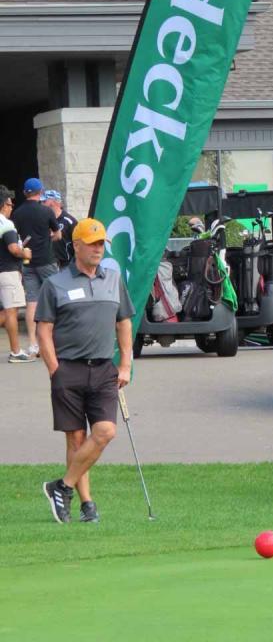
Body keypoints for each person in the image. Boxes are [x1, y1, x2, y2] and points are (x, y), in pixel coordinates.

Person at [36, 218, 135, 524]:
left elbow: (124, 323)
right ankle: (86, 504)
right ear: (76, 246)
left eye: (101, 243)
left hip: (104, 369)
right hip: (68, 369)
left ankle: (62, 486)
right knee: (76, 439)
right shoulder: (55, 283)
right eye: (92, 243)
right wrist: (55, 369)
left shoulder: (113, 279)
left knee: (105, 431)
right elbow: (43, 331)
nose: (98, 249)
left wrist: (125, 365)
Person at [12, 177, 61, 357]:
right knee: (56, 298)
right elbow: (58, 234)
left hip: (28, 262)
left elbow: (16, 236)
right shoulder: (46, 211)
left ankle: (33, 344)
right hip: (47, 260)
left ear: (25, 193)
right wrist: (48, 238)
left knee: (32, 301)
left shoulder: (17, 213)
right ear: (40, 192)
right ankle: (55, 341)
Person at [0, 186, 33, 362]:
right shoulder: (6, 225)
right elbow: (13, 249)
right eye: (10, 204)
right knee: (11, 312)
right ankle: (15, 351)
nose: (11, 208)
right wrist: (24, 252)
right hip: (8, 272)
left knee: (6, 311)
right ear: (3, 205)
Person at [42, 190, 77, 268]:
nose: (41, 204)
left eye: (44, 201)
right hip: (48, 265)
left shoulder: (69, 221)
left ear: (53, 202)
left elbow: (79, 242)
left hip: (66, 265)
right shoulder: (43, 220)